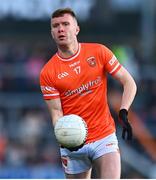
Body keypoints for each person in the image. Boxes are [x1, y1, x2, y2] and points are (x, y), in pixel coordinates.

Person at [40, 8, 137, 179]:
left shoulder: (99, 52)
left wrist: (123, 111)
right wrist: (64, 137)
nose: (60, 29)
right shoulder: (48, 72)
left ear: (76, 29)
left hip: (103, 136)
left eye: (65, 24)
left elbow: (129, 82)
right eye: (55, 26)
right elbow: (56, 113)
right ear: (52, 33)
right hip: (72, 142)